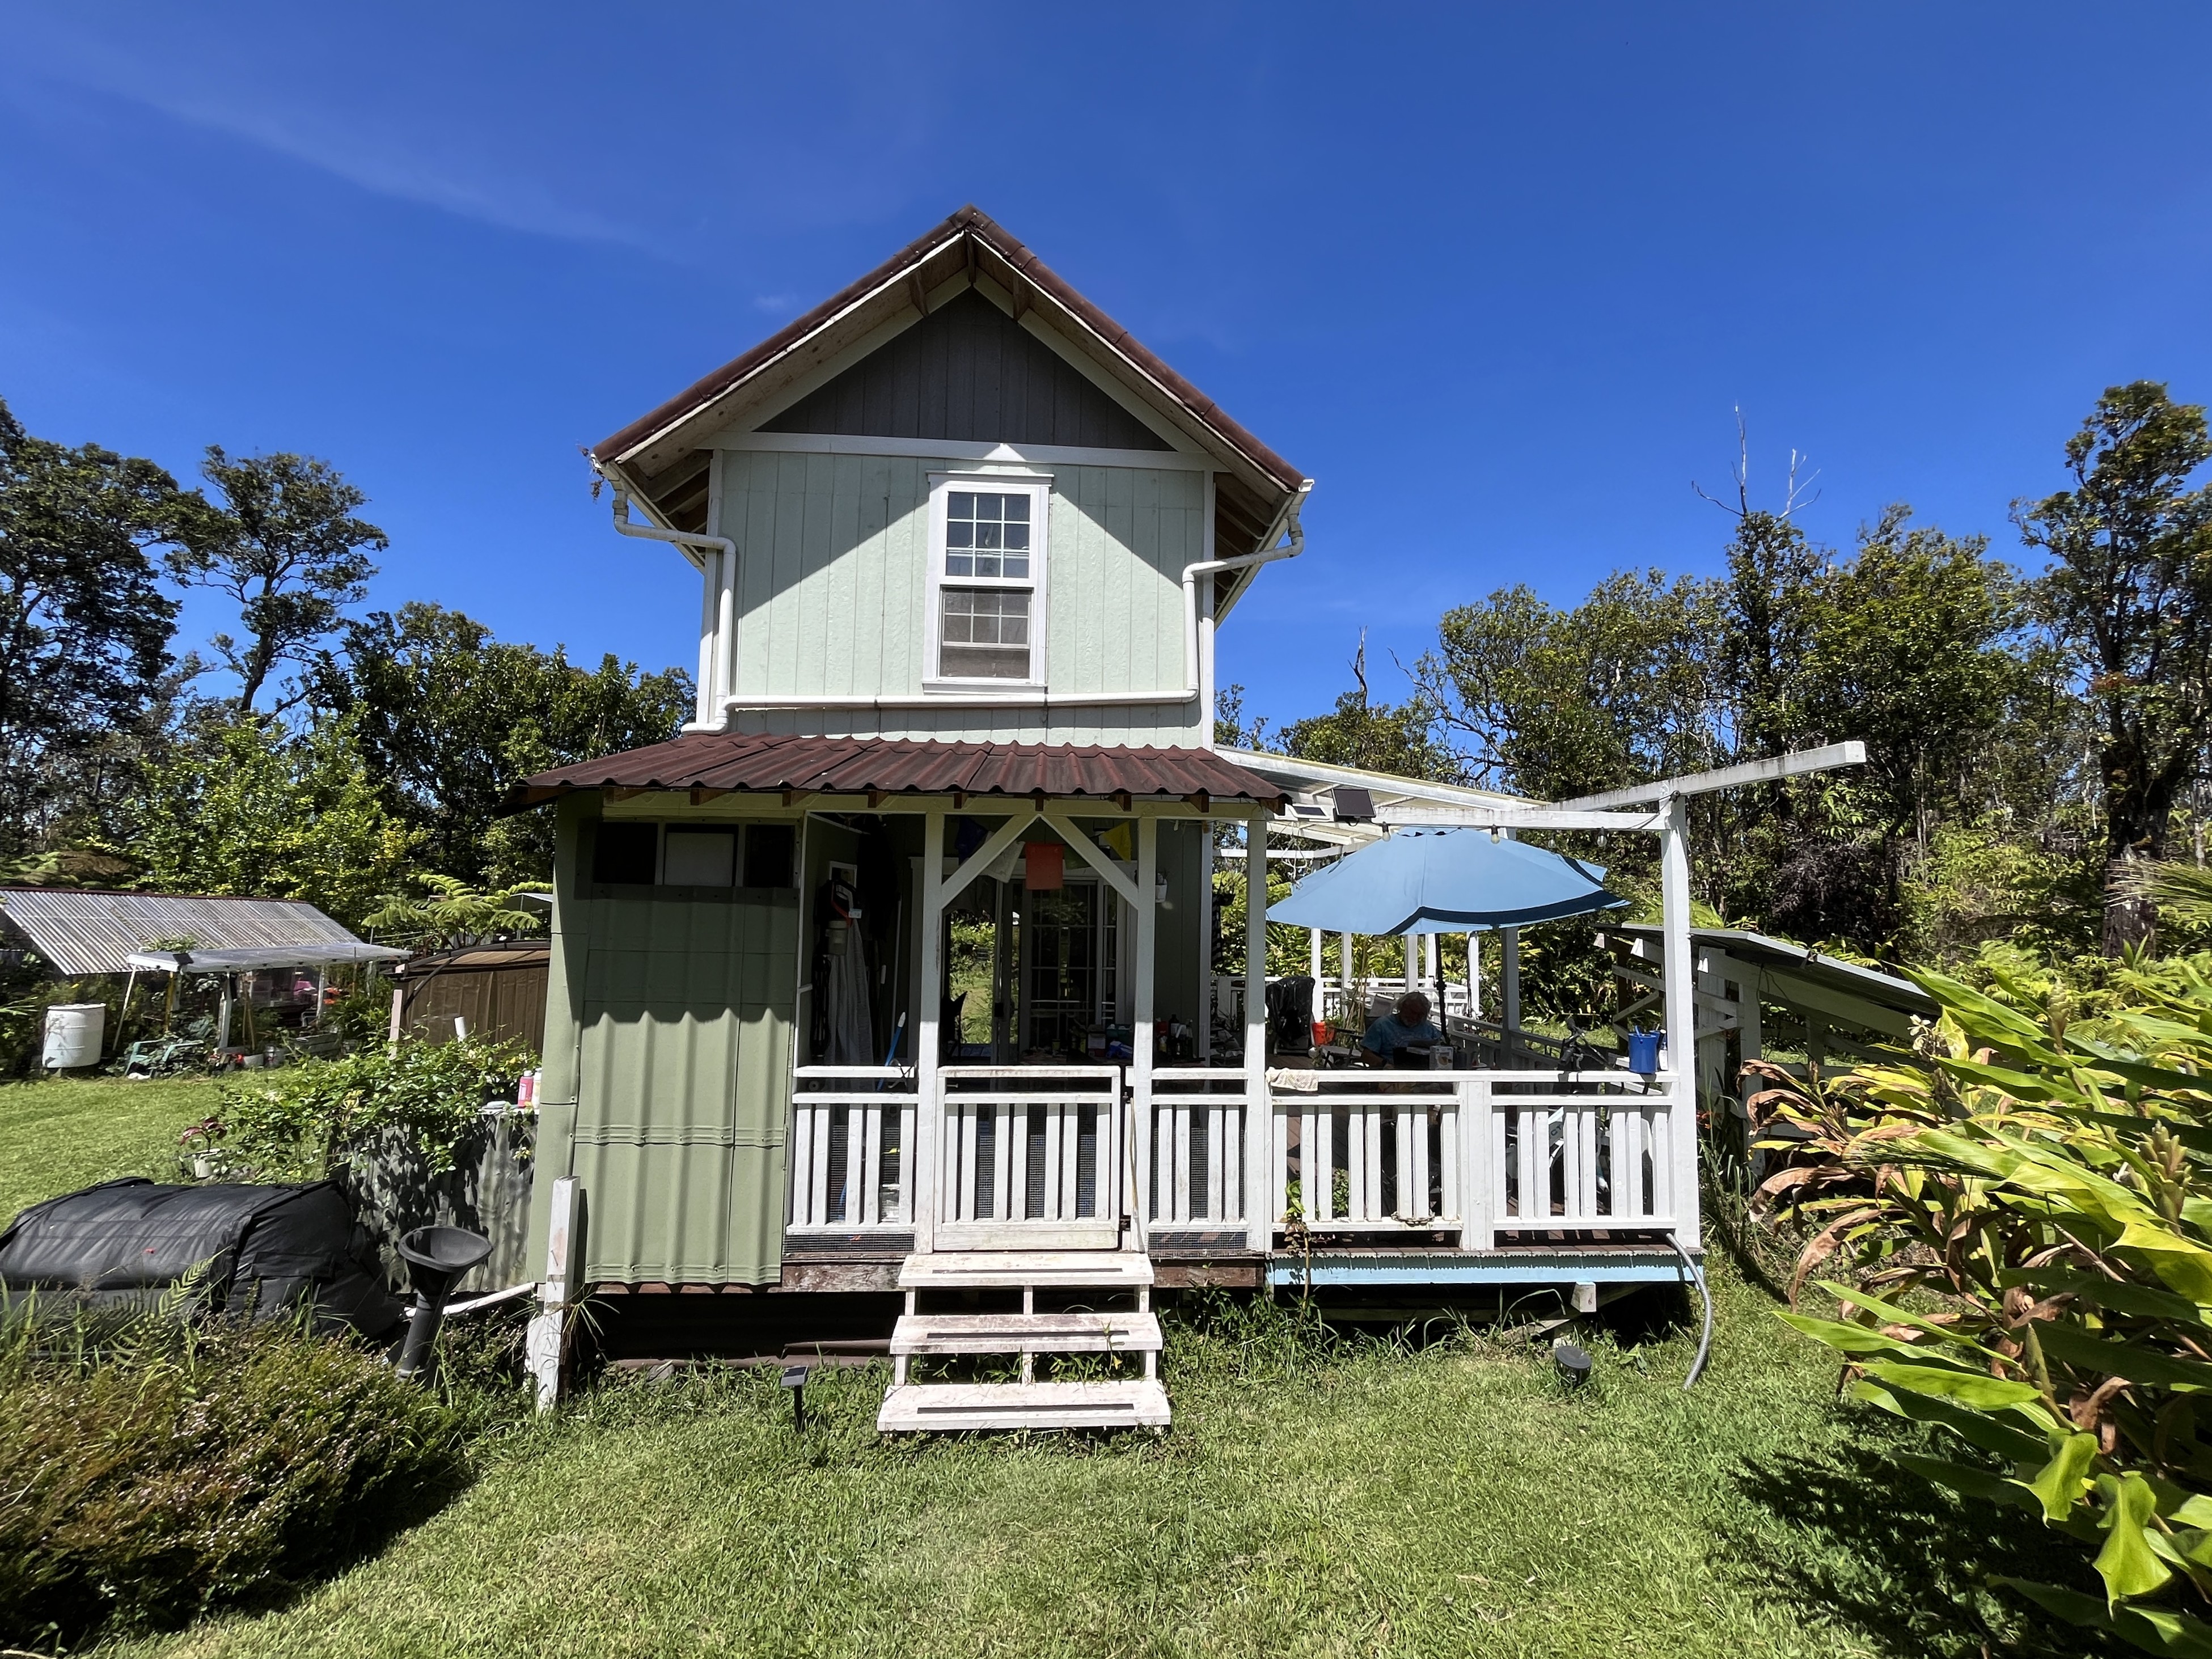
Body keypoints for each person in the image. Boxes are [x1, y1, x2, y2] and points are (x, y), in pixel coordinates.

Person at [1361, 992, 1444, 1067]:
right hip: (1392, 1074)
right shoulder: (1383, 1025)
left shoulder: (1429, 1028)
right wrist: (1385, 1065)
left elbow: (1443, 1047)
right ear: (1402, 1007)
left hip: (1423, 1074)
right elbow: (1366, 1055)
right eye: (1412, 1012)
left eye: (1420, 1015)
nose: (1415, 1018)